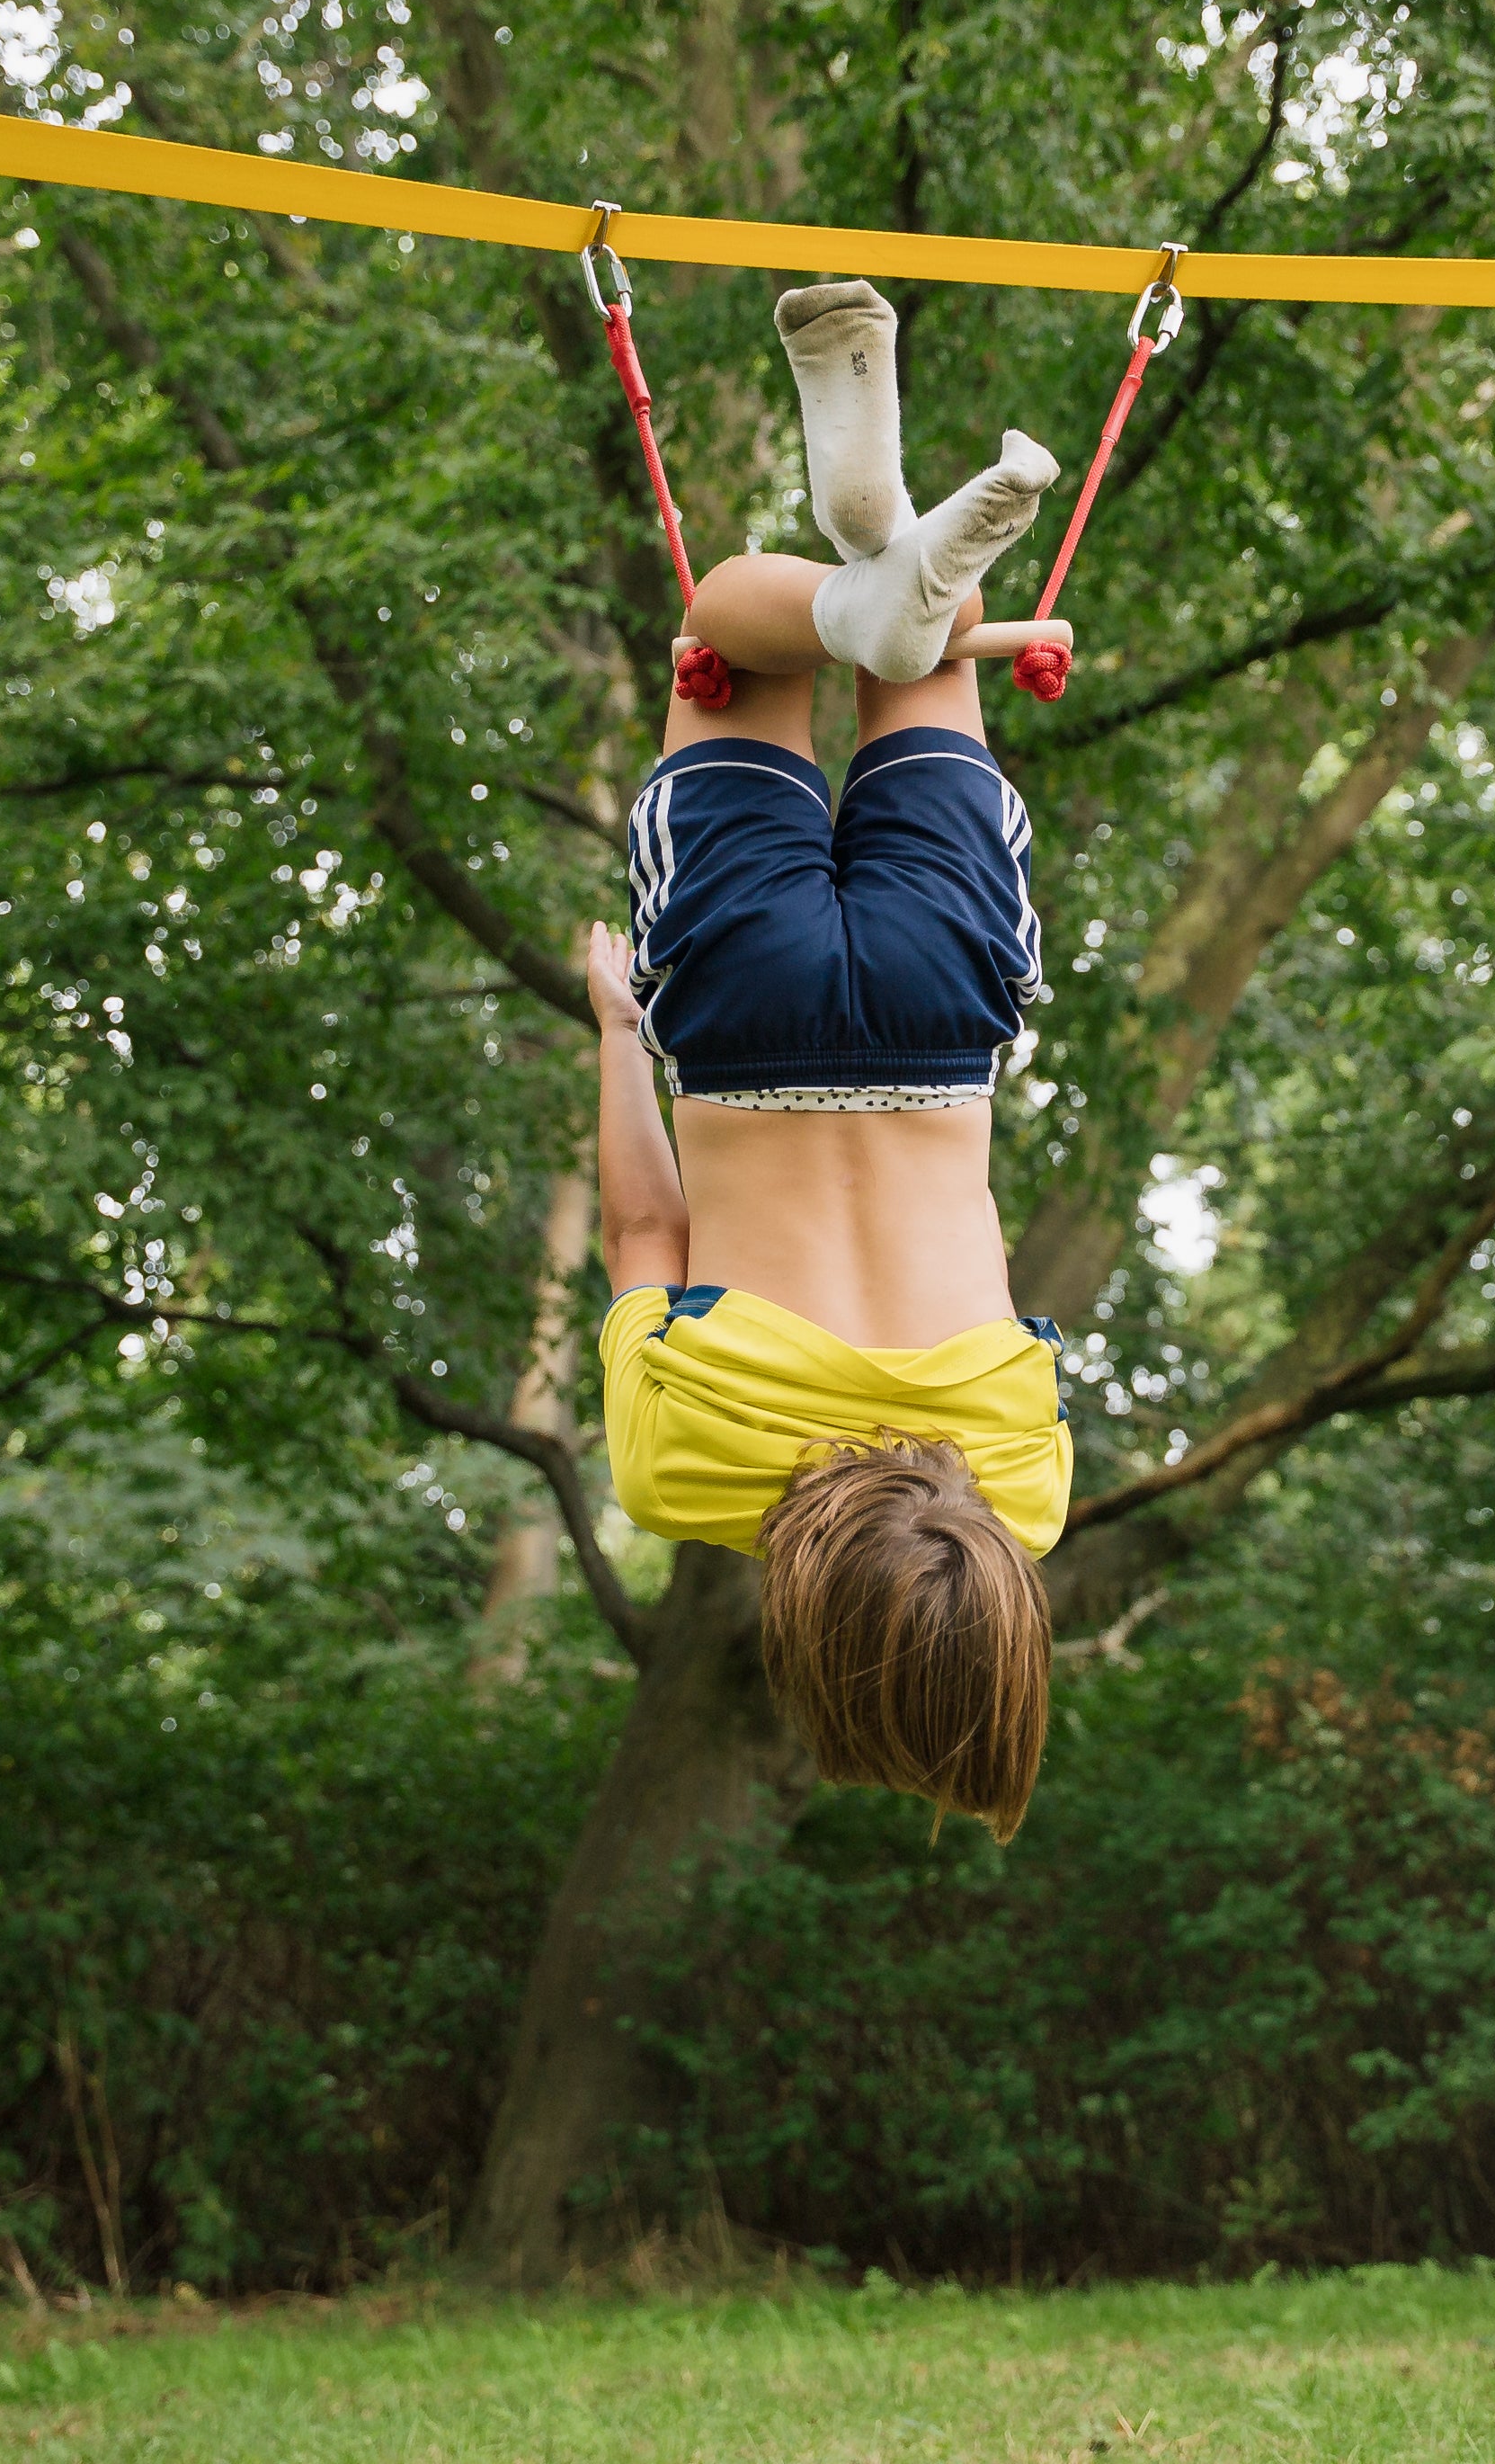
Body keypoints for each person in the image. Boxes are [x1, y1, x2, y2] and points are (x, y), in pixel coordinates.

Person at [580, 278, 1070, 1840]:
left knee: (923, 666)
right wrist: (618, 1031)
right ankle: (859, 596)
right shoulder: (682, 1483)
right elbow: (642, 1230)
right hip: (739, 1024)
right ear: (815, 1652)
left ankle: (896, 592)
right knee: (726, 630)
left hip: (942, 1026)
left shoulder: (1029, 1490)